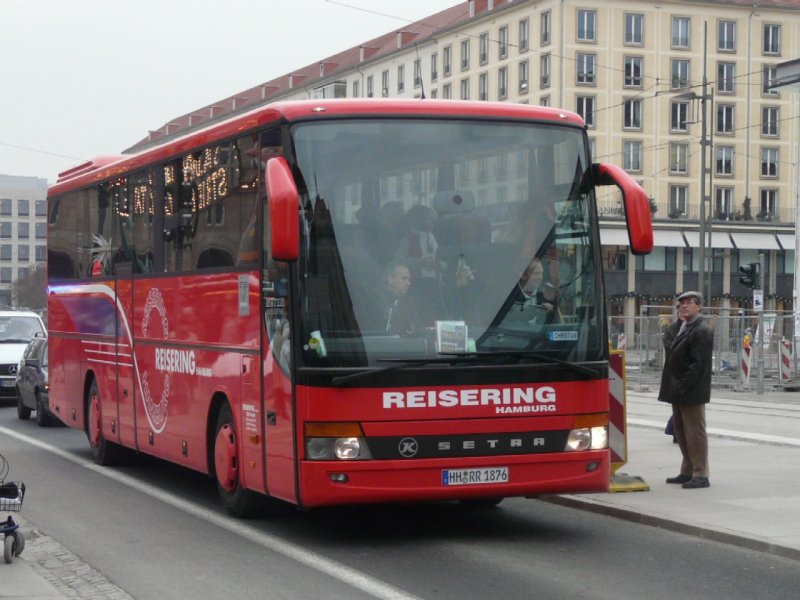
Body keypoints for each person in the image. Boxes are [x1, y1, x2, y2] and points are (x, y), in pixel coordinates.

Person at [658, 290, 714, 489]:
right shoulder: (681, 327)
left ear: (699, 307)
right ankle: (687, 470)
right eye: (681, 303)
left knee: (695, 432)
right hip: (678, 388)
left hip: (690, 389)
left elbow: (699, 365)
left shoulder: (702, 329)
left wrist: (682, 386)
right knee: (681, 431)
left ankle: (701, 473)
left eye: (689, 303)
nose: (684, 306)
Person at [510, 257, 559, 323]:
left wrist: (549, 312)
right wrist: (537, 311)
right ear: (523, 275)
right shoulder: (509, 294)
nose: (540, 277)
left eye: (541, 273)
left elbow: (553, 325)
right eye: (536, 274)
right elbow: (510, 317)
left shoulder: (547, 294)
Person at [379, 262, 420, 334]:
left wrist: (413, 332)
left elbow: (416, 329)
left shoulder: (409, 305)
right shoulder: (375, 301)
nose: (408, 283)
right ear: (390, 279)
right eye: (404, 279)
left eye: (408, 279)